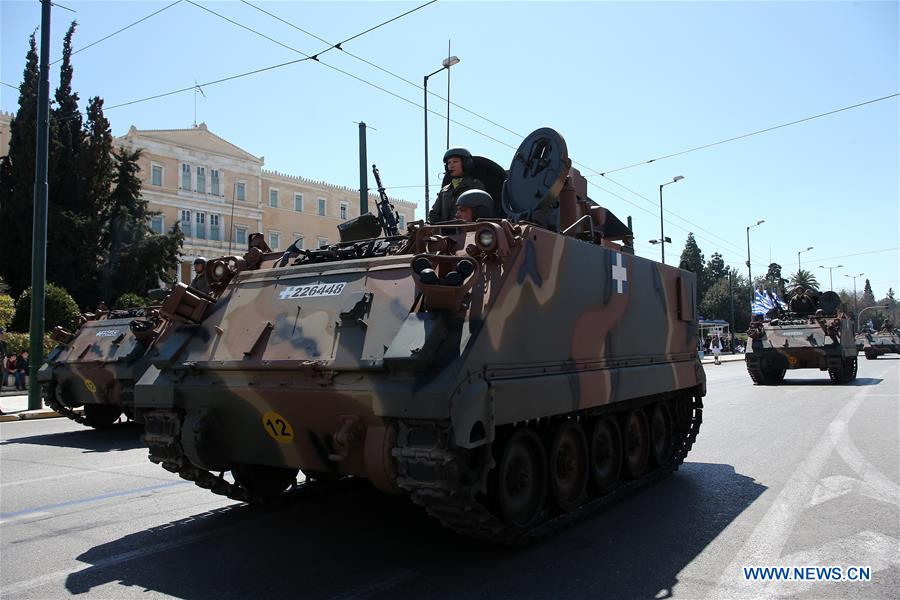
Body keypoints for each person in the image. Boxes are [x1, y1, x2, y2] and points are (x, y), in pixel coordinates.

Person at [427, 147, 486, 223]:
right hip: (444, 232)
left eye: (455, 162)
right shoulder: (445, 190)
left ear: (465, 164)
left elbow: (480, 212)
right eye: (449, 163)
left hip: (468, 231)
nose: (451, 165)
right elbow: (434, 213)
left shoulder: (475, 186)